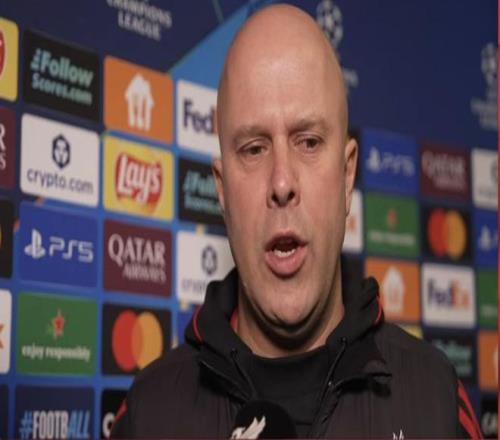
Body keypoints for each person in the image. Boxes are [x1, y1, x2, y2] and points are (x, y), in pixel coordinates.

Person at [111, 4, 482, 439]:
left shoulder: (436, 400)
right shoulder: (148, 414)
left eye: (308, 142)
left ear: (347, 175)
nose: (282, 182)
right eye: (254, 148)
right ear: (222, 190)